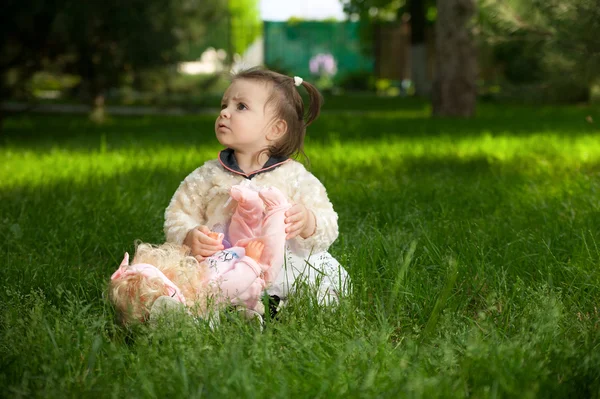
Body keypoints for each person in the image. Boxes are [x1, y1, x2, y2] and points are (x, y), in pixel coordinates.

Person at [164, 68, 350, 308]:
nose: (225, 113)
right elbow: (177, 214)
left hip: (283, 263)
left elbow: (329, 222)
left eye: (240, 106)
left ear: (275, 129)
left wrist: (308, 222)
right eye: (224, 105)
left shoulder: (294, 177)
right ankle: (207, 308)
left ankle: (274, 305)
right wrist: (188, 236)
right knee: (190, 285)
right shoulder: (207, 176)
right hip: (224, 265)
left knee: (322, 283)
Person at [109, 184, 290, 326]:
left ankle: (249, 208)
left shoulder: (194, 282)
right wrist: (251, 261)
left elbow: (211, 266)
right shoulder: (204, 296)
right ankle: (278, 210)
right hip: (254, 274)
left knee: (240, 232)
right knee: (270, 247)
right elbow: (232, 285)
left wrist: (215, 247)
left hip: (233, 254)